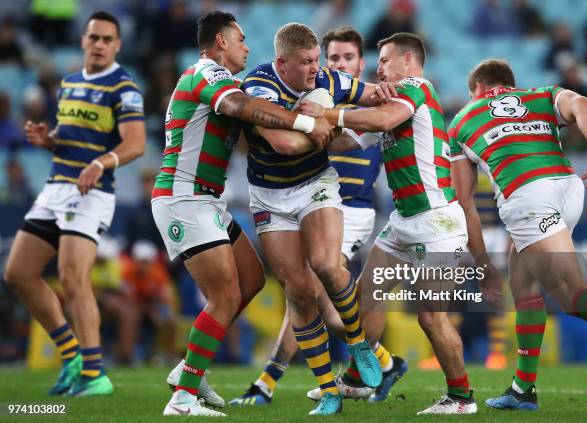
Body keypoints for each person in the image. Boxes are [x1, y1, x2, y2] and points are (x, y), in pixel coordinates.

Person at [297, 32, 497, 415]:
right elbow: (346, 141)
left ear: (408, 60)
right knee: (362, 298)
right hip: (404, 221)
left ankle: (461, 399)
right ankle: (358, 378)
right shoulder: (395, 104)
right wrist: (300, 127)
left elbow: (382, 117)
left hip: (437, 221)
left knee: (430, 318)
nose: (379, 69)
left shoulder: (417, 87)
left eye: (385, 61)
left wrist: (326, 113)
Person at [152, 11, 337, 417]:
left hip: (208, 200)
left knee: (251, 281)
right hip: (184, 197)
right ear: (220, 42)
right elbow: (240, 105)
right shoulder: (207, 74)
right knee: (225, 295)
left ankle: (190, 368)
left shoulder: (225, 80)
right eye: (241, 39)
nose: (247, 47)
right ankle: (182, 399)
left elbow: (245, 125)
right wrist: (307, 121)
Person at [228, 26, 406, 407]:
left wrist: (390, 91)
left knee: (325, 266)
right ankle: (329, 390)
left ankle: (359, 347)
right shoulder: (258, 86)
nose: (316, 69)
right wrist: (317, 125)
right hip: (269, 197)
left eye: (318, 61)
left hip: (321, 188)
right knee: (299, 291)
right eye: (308, 62)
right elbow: (283, 142)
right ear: (282, 63)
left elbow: (378, 97)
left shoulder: (330, 84)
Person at [448, 58, 587, 411]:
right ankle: (523, 389)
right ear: (510, 83)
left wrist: (481, 264)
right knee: (521, 280)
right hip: (569, 187)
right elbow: (583, 104)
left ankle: (523, 389)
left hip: (526, 194)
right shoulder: (540, 95)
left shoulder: (462, 120)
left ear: (476, 89)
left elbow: (464, 202)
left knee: (572, 296)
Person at [3, 11, 146, 397]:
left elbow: (135, 143)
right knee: (17, 274)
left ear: (117, 45)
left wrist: (100, 163)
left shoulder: (124, 87)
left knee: (72, 277)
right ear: (83, 41)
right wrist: (47, 140)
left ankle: (95, 374)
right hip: (56, 188)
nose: (99, 44)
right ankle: (72, 356)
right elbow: (68, 137)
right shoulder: (69, 81)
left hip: (92, 192)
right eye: (93, 38)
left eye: (106, 39)